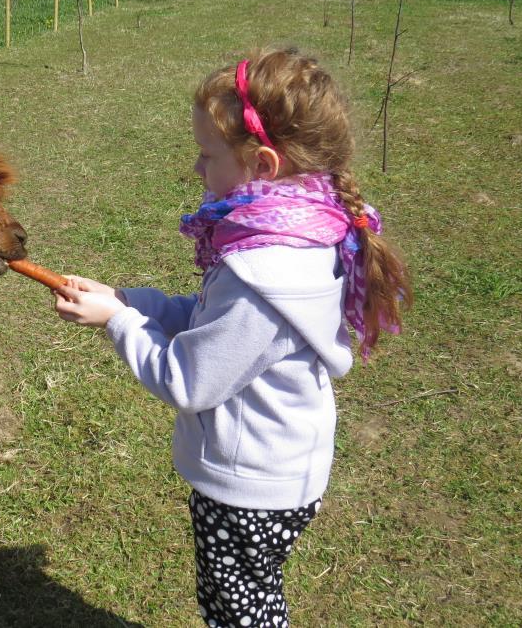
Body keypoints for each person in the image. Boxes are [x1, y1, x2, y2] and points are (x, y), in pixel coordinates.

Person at [53, 48, 412, 627]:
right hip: (277, 471)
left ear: (262, 165)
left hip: (249, 489)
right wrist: (129, 301)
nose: (197, 169)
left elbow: (189, 379)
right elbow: (207, 321)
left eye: (207, 154)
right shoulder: (298, 236)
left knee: (238, 613)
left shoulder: (262, 275)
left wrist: (117, 324)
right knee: (246, 602)